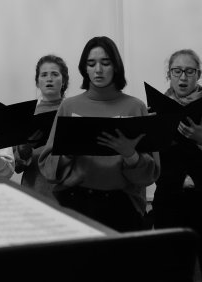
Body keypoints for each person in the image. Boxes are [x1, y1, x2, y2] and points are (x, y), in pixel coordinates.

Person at [38, 36, 160, 232]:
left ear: (116, 66)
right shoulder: (69, 106)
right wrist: (69, 150)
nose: (98, 70)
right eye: (91, 63)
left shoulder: (135, 107)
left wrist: (130, 155)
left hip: (122, 206)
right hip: (74, 202)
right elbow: (48, 167)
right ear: (84, 68)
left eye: (105, 63)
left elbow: (150, 173)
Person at [152, 49, 202, 282]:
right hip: (169, 198)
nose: (183, 77)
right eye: (177, 71)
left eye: (189, 71)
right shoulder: (156, 110)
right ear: (169, 75)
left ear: (198, 75)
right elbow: (152, 152)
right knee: (171, 269)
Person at [13, 55, 69, 199]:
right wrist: (25, 148)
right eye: (44, 75)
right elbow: (16, 167)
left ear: (64, 81)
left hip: (66, 192)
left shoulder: (72, 111)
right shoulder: (26, 115)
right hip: (33, 191)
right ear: (37, 82)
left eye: (55, 74)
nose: (49, 79)